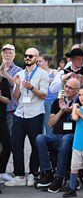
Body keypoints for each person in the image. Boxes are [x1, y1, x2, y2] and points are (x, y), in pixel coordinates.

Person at [5, 47, 49, 187]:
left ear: (36, 58)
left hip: (35, 113)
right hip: (20, 112)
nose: (27, 58)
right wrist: (17, 86)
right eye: (26, 55)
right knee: (16, 144)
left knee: (35, 145)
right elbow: (16, 97)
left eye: (31, 56)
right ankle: (19, 175)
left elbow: (43, 95)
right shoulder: (20, 73)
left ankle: (33, 174)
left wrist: (31, 88)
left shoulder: (43, 74)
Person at [35, 78, 80, 193]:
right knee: (40, 138)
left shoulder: (80, 101)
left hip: (72, 136)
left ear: (76, 90)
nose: (67, 89)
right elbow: (50, 123)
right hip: (56, 135)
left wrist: (72, 110)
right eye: (66, 87)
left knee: (66, 139)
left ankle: (59, 177)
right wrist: (61, 110)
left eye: (70, 88)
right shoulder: (57, 102)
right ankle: (48, 173)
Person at [0, 44, 22, 132]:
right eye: (5, 53)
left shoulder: (19, 70)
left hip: (11, 109)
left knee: (10, 136)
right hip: (0, 108)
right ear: (2, 55)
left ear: (14, 55)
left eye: (10, 53)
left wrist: (4, 73)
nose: (7, 55)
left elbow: (16, 84)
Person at [37, 54, 58, 135]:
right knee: (40, 124)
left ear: (46, 62)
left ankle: (51, 143)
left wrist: (46, 80)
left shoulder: (54, 71)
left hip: (51, 100)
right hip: (40, 101)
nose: (38, 63)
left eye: (40, 61)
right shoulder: (37, 73)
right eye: (37, 61)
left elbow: (57, 82)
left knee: (49, 124)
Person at [0, 68, 12, 183]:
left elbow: (8, 100)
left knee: (7, 145)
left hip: (2, 119)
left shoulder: (3, 81)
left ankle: (2, 172)